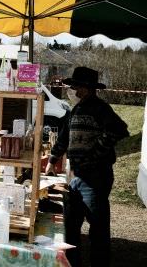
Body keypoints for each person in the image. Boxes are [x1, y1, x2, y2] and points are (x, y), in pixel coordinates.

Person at [45, 67, 129, 267]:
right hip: (76, 177)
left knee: (98, 230)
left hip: (96, 177)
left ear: (86, 88)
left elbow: (119, 130)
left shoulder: (100, 108)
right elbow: (64, 137)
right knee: (71, 228)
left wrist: (95, 155)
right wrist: (52, 159)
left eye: (75, 86)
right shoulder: (76, 109)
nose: (72, 89)